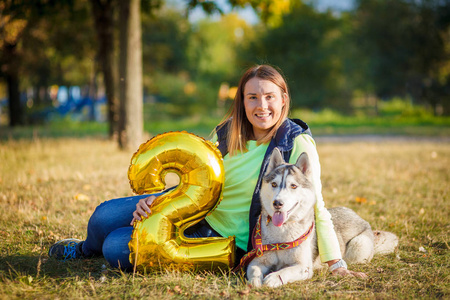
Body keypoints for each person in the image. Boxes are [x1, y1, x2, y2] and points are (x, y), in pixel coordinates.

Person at [49, 64, 366, 278]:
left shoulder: (296, 143)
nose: (262, 105)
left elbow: (318, 206)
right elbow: (197, 179)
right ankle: (81, 249)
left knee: (117, 247)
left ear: (283, 99)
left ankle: (102, 249)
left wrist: (335, 263)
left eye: (270, 96)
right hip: (193, 208)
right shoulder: (228, 132)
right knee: (103, 216)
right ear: (242, 101)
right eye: (252, 96)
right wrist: (160, 203)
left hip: (222, 234)